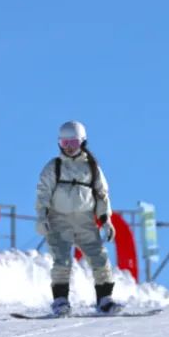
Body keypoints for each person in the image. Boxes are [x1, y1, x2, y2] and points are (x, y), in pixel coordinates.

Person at [34, 120, 121, 316]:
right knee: (62, 261)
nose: (70, 148)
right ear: (59, 144)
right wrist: (42, 216)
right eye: (65, 144)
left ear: (82, 142)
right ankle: (61, 301)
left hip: (85, 220)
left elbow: (101, 193)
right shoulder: (54, 167)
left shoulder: (91, 167)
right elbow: (43, 193)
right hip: (59, 219)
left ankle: (105, 299)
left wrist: (105, 219)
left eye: (73, 143)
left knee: (99, 257)